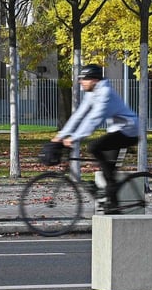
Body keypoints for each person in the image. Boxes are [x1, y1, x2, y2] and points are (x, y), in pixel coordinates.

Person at [53, 64, 139, 211]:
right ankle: (114, 206)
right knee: (108, 170)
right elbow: (79, 115)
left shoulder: (105, 93)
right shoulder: (92, 93)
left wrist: (74, 138)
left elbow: (94, 119)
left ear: (94, 80)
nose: (81, 82)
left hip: (129, 131)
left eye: (84, 79)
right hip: (117, 130)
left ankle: (112, 190)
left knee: (94, 147)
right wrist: (60, 136)